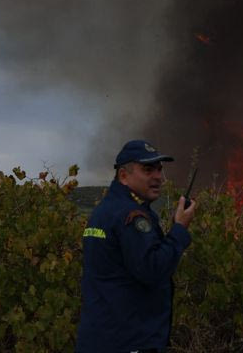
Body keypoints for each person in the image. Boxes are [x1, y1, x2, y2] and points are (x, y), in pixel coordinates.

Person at [76, 140, 197, 353]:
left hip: (100, 339)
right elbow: (153, 270)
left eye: (159, 170)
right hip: (128, 342)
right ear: (124, 175)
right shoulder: (131, 217)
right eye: (148, 169)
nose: (158, 177)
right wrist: (179, 229)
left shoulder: (103, 212)